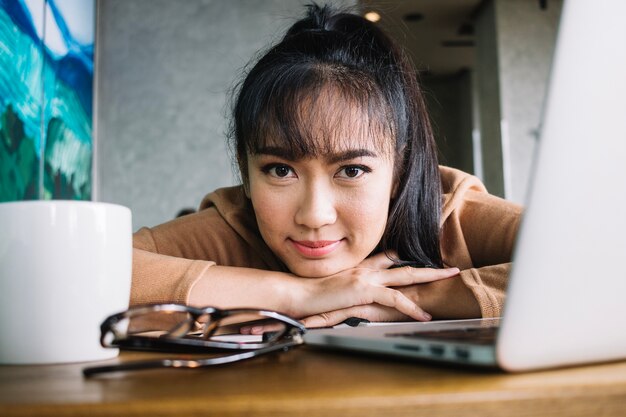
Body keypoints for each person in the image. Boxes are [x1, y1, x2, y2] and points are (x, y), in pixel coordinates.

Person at [131, 3, 522, 329]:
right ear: (246, 172)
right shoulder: (234, 224)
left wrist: (405, 295)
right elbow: (76, 269)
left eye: (351, 170)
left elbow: (583, 258)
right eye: (280, 170)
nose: (315, 215)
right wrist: (300, 295)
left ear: (399, 170)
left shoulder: (450, 215)